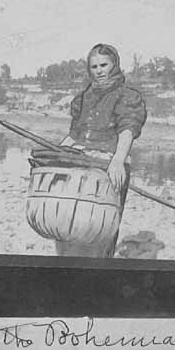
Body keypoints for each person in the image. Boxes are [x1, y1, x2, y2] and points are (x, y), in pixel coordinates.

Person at [57, 43, 147, 257]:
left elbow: (128, 128)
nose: (99, 71)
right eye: (94, 66)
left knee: (99, 232)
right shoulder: (84, 96)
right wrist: (57, 154)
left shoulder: (126, 95)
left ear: (114, 64)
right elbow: (75, 134)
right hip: (80, 165)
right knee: (69, 227)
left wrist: (118, 161)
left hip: (109, 166)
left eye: (103, 65)